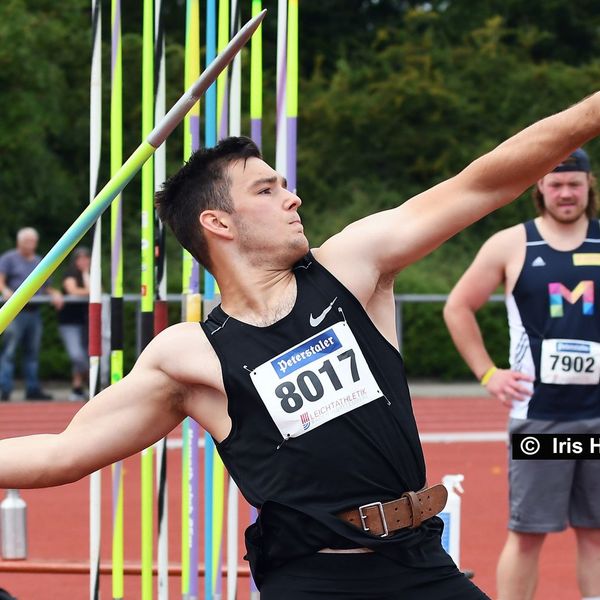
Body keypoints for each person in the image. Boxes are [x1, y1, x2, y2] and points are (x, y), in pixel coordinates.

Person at [2, 94, 600, 599]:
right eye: (268, 190)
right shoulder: (190, 356)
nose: (293, 199)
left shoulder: (352, 267)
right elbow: (63, 453)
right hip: (310, 580)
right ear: (219, 223)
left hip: (419, 564)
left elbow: (487, 180)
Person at [443, 148, 600, 600]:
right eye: (556, 183)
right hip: (542, 418)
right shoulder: (512, 244)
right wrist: (488, 373)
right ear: (540, 187)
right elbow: (458, 307)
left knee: (595, 532)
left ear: (589, 183)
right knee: (529, 533)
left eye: (574, 183)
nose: (566, 192)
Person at [0, 227, 63, 401]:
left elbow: (46, 285)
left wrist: (55, 293)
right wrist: (5, 290)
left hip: (34, 311)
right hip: (14, 312)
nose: (31, 244)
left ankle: (32, 389)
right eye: (28, 241)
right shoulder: (9, 258)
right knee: (9, 352)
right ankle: (4, 389)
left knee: (32, 352)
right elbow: (0, 279)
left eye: (33, 241)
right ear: (19, 242)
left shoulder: (38, 260)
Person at [57, 247, 90, 401]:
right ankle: (91, 377)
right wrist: (88, 289)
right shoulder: (69, 274)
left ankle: (77, 387)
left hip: (86, 321)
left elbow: (98, 290)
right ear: (75, 261)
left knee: (87, 353)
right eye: (80, 259)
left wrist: (86, 274)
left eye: (86, 258)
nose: (84, 262)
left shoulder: (91, 275)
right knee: (77, 355)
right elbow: (73, 291)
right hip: (69, 322)